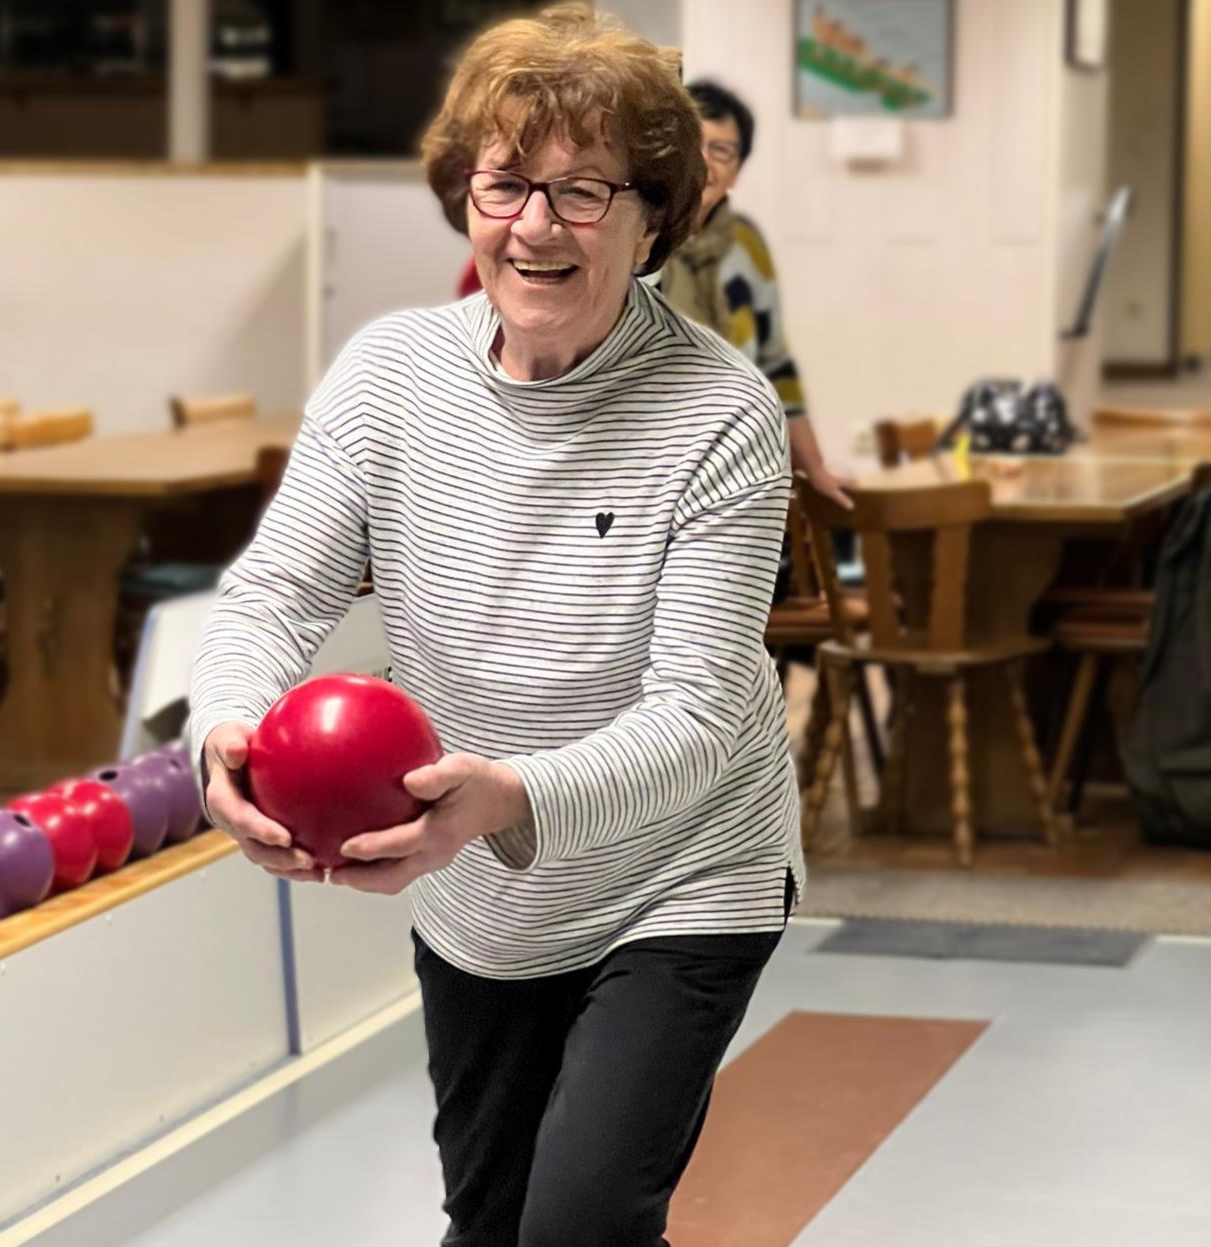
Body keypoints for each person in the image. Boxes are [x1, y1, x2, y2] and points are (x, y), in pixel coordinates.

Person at [190, 7, 801, 1245]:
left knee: (579, 1220)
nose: (536, 225)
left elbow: (696, 716)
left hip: (684, 867)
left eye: (584, 191)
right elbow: (276, 591)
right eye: (507, 183)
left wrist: (506, 796)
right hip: (481, 892)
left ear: (652, 218)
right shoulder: (390, 375)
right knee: (492, 1221)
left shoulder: (721, 411)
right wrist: (225, 730)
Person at [661, 78, 853, 510]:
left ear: (737, 170)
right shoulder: (635, 238)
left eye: (722, 151)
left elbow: (774, 364)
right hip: (646, 462)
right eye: (694, 143)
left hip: (737, 461)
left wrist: (815, 469)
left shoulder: (746, 246)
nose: (704, 162)